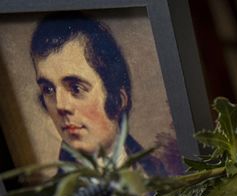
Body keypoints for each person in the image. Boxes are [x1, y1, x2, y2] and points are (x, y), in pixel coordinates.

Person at [29, 12, 172, 175]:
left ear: (118, 99)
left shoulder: (158, 172)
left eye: (76, 88)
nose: (60, 105)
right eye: (48, 89)